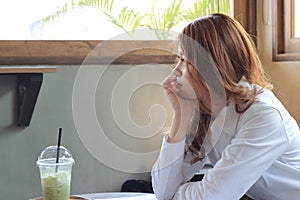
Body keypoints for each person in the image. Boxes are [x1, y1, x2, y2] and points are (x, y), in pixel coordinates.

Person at [151, 13, 300, 200]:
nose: (175, 71)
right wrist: (181, 115)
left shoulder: (264, 116)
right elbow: (162, 191)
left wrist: (177, 195)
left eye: (183, 60)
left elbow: (214, 196)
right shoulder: (208, 111)